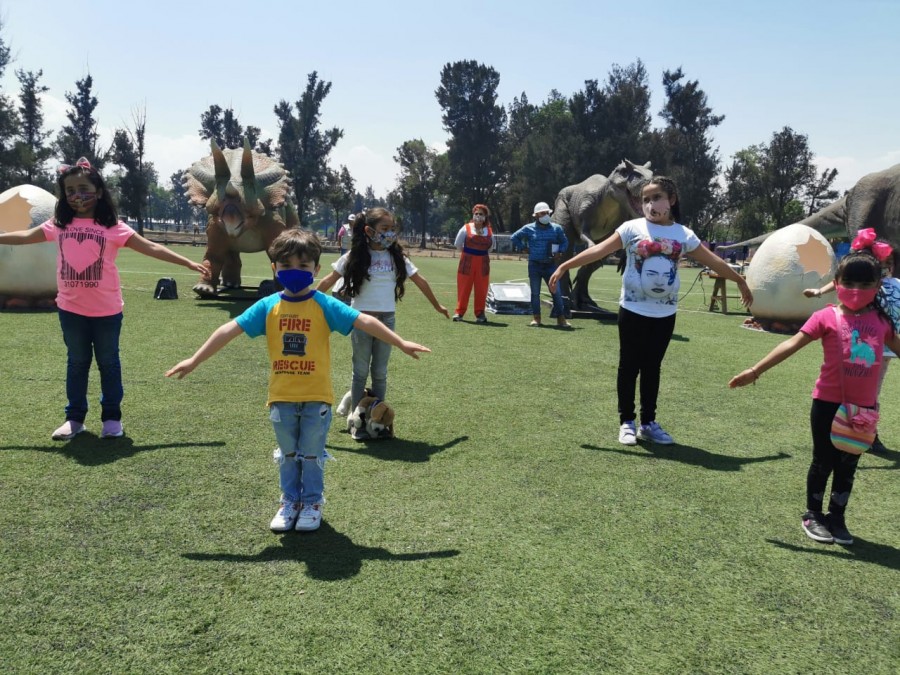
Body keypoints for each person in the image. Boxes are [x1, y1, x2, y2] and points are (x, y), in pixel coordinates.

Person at [166, 228, 430, 532]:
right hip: (281, 397)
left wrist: (399, 342)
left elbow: (365, 320)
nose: (295, 272)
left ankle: (312, 503)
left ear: (316, 270)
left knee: (312, 453)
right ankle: (290, 501)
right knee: (289, 454)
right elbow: (229, 330)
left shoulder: (323, 304)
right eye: (287, 265)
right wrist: (194, 359)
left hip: (317, 397)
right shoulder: (268, 306)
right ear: (274, 268)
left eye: (304, 266)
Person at [0, 158, 210, 441]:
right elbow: (26, 236)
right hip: (70, 310)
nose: (77, 195)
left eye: (84, 188)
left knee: (109, 364)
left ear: (98, 191)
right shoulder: (58, 225)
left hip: (107, 312)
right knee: (77, 363)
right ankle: (74, 420)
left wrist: (186, 262)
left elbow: (150, 247)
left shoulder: (114, 228)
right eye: (71, 189)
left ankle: (111, 419)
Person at [549, 175, 752, 446]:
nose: (650, 204)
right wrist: (565, 266)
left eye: (656, 198)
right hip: (632, 310)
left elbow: (714, 261)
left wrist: (740, 280)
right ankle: (627, 422)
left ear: (672, 200)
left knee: (652, 368)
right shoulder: (631, 228)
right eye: (645, 200)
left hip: (664, 315)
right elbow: (599, 250)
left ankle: (648, 423)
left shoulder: (683, 235)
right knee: (629, 366)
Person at [731, 247, 900, 546]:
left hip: (864, 408)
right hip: (827, 404)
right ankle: (813, 514)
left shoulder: (882, 322)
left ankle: (837, 516)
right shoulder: (826, 317)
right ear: (836, 283)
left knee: (849, 464)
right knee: (823, 461)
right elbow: (790, 346)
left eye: (865, 285)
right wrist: (755, 371)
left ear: (877, 287)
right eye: (849, 283)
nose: (856, 291)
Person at [317, 208, 449, 437]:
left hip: (387, 319)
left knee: (379, 372)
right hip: (359, 319)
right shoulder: (353, 257)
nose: (390, 234)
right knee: (359, 371)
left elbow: (420, 280)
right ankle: (356, 420)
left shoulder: (397, 257)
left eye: (392, 230)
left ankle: (376, 418)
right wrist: (309, 300)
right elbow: (329, 280)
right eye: (384, 229)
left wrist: (437, 305)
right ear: (369, 231)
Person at [804, 228, 899, 454]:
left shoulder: (891, 282)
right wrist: (818, 291)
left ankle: (864, 430)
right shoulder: (864, 281)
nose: (885, 267)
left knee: (869, 392)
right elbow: (841, 282)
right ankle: (857, 431)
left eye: (887, 263)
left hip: (886, 344)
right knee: (862, 391)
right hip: (867, 343)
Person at [510, 201, 572, 329]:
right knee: (535, 293)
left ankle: (561, 319)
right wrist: (523, 248)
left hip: (550, 266)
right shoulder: (528, 228)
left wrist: (560, 251)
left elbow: (565, 242)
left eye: (547, 213)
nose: (545, 215)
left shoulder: (556, 228)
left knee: (556, 292)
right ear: (536, 216)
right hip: (534, 266)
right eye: (542, 213)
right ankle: (536, 318)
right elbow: (514, 237)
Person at [453, 204, 494, 323]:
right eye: (476, 214)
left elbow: (491, 247)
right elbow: (458, 243)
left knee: (482, 288)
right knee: (464, 287)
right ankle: (459, 312)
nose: (478, 216)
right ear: (473, 215)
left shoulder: (489, 231)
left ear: (485, 216)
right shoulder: (466, 228)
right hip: (467, 261)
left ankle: (480, 313)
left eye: (481, 214)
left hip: (483, 262)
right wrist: (467, 253)